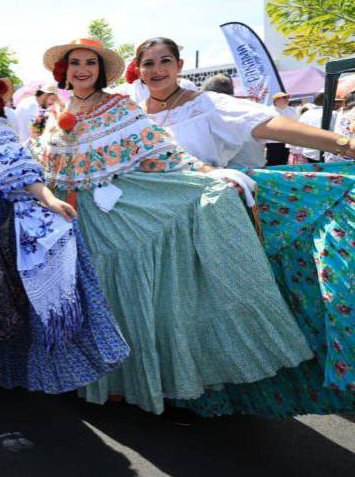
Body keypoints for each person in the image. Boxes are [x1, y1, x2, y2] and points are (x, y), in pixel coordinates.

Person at [32, 38, 324, 417]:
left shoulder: (121, 107)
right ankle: (89, 376)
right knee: (81, 294)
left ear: (101, 71)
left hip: (112, 217)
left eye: (91, 62)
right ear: (64, 71)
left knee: (118, 296)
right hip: (68, 219)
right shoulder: (55, 113)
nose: (83, 69)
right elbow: (41, 162)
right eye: (75, 63)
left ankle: (123, 382)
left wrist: (207, 173)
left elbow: (161, 150)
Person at [0, 69, 129, 393]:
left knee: (7, 300)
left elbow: (26, 175)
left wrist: (51, 200)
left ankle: (12, 372)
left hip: (1, 224)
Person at [137, 38, 355, 169]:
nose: (157, 69)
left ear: (179, 65)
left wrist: (344, 145)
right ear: (139, 71)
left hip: (195, 208)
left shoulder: (207, 105)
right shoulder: (132, 113)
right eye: (148, 63)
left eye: (165, 61)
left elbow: (271, 124)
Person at [265, 92, 297, 165]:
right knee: (272, 162)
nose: (287, 99)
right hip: (273, 141)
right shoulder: (268, 110)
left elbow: (296, 124)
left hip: (287, 140)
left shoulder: (292, 110)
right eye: (284, 98)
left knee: (284, 161)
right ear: (276, 100)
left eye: (288, 98)